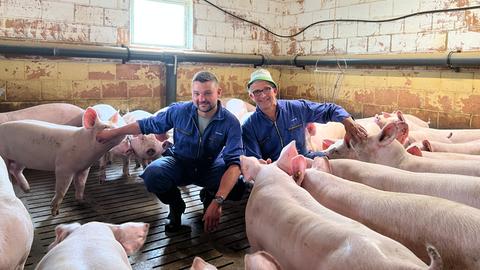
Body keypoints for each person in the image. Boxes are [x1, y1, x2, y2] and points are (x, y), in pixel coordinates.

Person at [96, 71, 245, 233]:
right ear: (192, 93)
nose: (201, 99)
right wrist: (112, 133)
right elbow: (146, 124)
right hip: (180, 162)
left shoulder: (230, 122)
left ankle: (210, 195)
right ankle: (176, 205)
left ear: (219, 92)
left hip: (209, 166)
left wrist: (218, 201)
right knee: (152, 174)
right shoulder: (180, 111)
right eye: (196, 93)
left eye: (207, 93)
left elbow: (235, 163)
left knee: (237, 185)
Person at [242, 68, 368, 162]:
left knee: (342, 158)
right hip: (276, 170)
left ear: (275, 90)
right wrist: (261, 164)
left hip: (304, 159)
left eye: (266, 89)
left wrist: (348, 122)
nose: (263, 95)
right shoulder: (249, 126)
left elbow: (330, 109)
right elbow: (254, 160)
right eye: (257, 92)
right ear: (251, 96)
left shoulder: (296, 108)